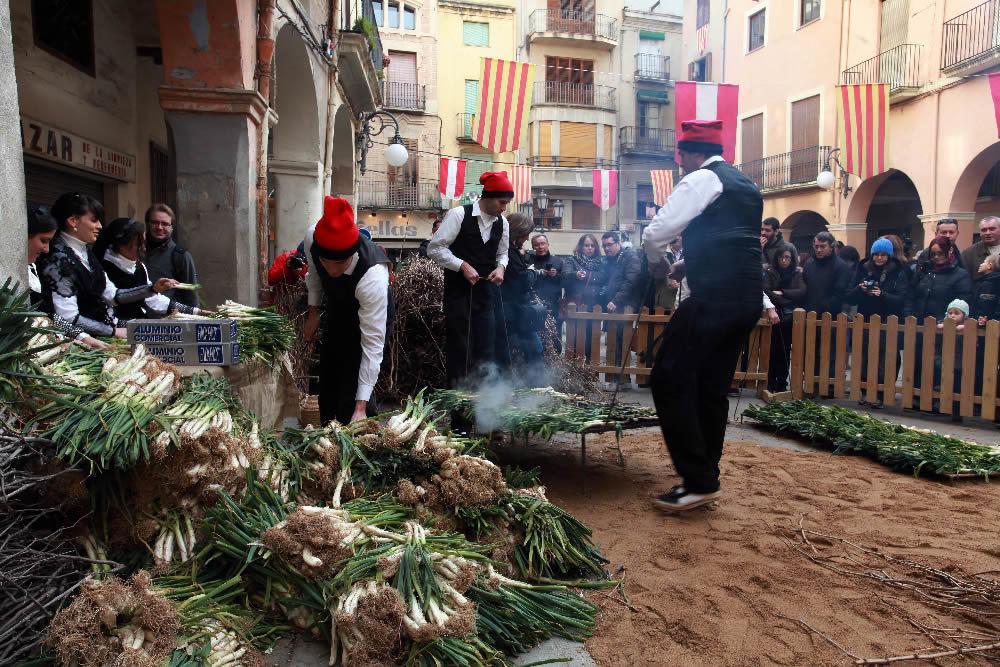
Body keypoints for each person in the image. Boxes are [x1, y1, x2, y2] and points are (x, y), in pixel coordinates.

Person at [642, 119, 763, 513]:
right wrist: (687, 266)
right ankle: (706, 475)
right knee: (710, 387)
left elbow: (655, 234)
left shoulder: (701, 179)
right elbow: (731, 243)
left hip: (715, 300)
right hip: (745, 300)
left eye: (681, 159)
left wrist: (659, 265)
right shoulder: (746, 186)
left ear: (685, 155)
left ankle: (697, 480)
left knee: (667, 378)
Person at [36, 193, 179, 340]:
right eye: (94, 220)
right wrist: (113, 332)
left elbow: (112, 295)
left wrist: (152, 289)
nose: (99, 226)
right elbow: (68, 317)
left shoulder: (87, 253)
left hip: (107, 328)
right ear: (73, 221)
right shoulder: (57, 259)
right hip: (84, 339)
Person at [303, 196, 392, 425]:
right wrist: (313, 312)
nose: (331, 269)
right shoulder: (312, 238)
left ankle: (360, 423)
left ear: (352, 253)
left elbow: (372, 345)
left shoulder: (373, 276)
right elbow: (314, 274)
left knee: (353, 382)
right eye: (326, 260)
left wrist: (360, 405)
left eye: (339, 263)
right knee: (329, 373)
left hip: (369, 313)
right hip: (336, 306)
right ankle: (327, 428)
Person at [427, 172, 511, 387]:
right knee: (460, 350)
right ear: (488, 197)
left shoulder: (503, 223)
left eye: (507, 203)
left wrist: (501, 267)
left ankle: (484, 410)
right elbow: (435, 249)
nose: (504, 207)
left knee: (486, 350)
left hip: (486, 296)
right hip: (458, 295)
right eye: (502, 202)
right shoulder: (458, 214)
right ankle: (460, 416)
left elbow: (503, 253)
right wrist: (461, 265)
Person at [26, 206, 109, 350]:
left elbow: (47, 315)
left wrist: (81, 336)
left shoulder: (32, 271)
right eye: (43, 240)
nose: (46, 249)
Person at [96, 217, 206, 322]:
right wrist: (152, 289)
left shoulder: (139, 267)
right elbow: (114, 297)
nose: (143, 247)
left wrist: (196, 312)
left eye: (144, 242)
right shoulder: (102, 269)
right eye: (138, 244)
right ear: (121, 245)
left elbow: (153, 300)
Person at [846, 238, 909, 407]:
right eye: (876, 255)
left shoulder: (899, 271)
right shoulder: (863, 268)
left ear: (888, 256)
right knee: (864, 357)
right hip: (864, 319)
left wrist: (882, 294)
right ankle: (865, 392)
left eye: (883, 255)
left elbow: (902, 298)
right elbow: (849, 296)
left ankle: (882, 393)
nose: (879, 258)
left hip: (888, 321)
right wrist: (860, 289)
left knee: (886, 359)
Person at [495, 214, 544, 385]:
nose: (527, 238)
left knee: (509, 352)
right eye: (525, 234)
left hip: (509, 311)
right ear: (517, 232)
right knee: (534, 350)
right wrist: (531, 272)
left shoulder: (506, 250)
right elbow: (522, 281)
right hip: (515, 312)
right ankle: (537, 388)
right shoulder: (509, 252)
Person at [764, 248, 806, 393]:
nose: (784, 260)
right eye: (781, 257)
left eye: (787, 257)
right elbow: (767, 291)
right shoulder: (770, 271)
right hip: (773, 313)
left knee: (784, 349)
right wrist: (786, 300)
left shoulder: (797, 273)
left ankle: (782, 381)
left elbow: (801, 292)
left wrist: (782, 292)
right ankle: (769, 380)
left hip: (789, 317)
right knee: (771, 349)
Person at [144, 203, 199, 308]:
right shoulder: (135, 251)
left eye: (165, 224)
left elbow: (191, 297)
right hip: (135, 319)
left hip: (168, 321)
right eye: (154, 222)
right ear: (147, 224)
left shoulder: (181, 256)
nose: (159, 227)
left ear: (172, 227)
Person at [909, 236, 974, 322]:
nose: (936, 257)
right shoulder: (924, 271)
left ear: (950, 251)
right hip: (919, 324)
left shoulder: (961, 275)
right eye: (933, 254)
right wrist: (909, 314)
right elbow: (911, 295)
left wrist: (946, 320)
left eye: (941, 253)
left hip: (945, 326)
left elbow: (963, 303)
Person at [527, 233, 564, 349]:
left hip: (553, 304)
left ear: (548, 245)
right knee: (536, 336)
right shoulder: (528, 261)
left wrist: (556, 275)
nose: (540, 247)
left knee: (555, 336)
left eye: (543, 243)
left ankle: (555, 363)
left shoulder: (558, 261)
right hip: (533, 304)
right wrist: (538, 272)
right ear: (533, 247)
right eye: (537, 245)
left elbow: (564, 280)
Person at [802, 232, 851, 315]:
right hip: (809, 314)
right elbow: (805, 287)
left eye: (823, 246)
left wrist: (823, 309)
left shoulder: (841, 266)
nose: (819, 250)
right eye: (816, 246)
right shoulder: (809, 263)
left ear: (831, 247)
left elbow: (840, 293)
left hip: (831, 316)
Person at [561, 234, 603, 308]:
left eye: (592, 246)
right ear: (581, 247)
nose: (590, 248)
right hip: (575, 304)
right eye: (586, 245)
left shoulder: (600, 262)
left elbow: (603, 280)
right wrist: (576, 274)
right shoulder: (571, 260)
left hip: (595, 305)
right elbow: (564, 277)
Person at [960, 216, 1000, 284]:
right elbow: (964, 281)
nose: (987, 233)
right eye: (984, 230)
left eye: (992, 229)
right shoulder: (969, 253)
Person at [974, 256, 1000, 324]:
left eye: (984, 262)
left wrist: (980, 318)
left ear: (989, 265)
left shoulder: (989, 284)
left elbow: (985, 305)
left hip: (985, 324)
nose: (980, 264)